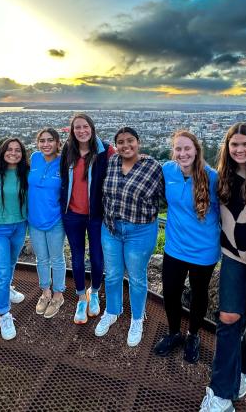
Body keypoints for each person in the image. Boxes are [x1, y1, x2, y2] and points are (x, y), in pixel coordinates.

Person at [200, 122, 246, 411]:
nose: (240, 150)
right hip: (232, 256)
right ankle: (220, 391)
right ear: (227, 147)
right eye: (235, 145)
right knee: (228, 318)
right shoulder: (223, 177)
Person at [154, 130, 220, 363]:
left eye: (187, 149)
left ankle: (193, 335)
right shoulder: (168, 170)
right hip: (174, 247)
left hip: (204, 250)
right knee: (170, 292)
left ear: (196, 150)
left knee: (198, 295)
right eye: (178, 149)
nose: (182, 153)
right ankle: (174, 333)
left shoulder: (212, 177)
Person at [96, 126, 163, 347]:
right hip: (111, 228)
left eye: (130, 141)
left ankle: (137, 318)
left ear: (138, 142)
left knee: (136, 277)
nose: (126, 145)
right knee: (113, 274)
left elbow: (168, 194)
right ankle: (113, 310)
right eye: (121, 142)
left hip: (140, 231)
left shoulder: (152, 166)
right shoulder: (112, 162)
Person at [59, 113, 114, 324]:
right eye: (77, 128)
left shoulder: (105, 150)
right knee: (77, 256)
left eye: (85, 127)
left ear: (92, 128)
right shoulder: (68, 150)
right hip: (72, 213)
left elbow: (125, 161)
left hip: (96, 214)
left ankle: (95, 291)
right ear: (72, 131)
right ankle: (81, 297)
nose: (82, 131)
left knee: (98, 257)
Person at [0, 138, 29, 340]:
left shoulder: (26, 173)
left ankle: (7, 290)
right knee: (0, 271)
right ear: (2, 151)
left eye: (17, 150)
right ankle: (3, 312)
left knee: (10, 263)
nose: (13, 153)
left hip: (20, 225)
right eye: (9, 149)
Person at [28, 128, 67, 318]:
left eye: (50, 140)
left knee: (57, 258)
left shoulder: (65, 162)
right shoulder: (35, 158)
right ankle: (45, 292)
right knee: (41, 259)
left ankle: (58, 294)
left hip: (55, 219)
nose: (46, 144)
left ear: (58, 142)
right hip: (34, 219)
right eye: (42, 140)